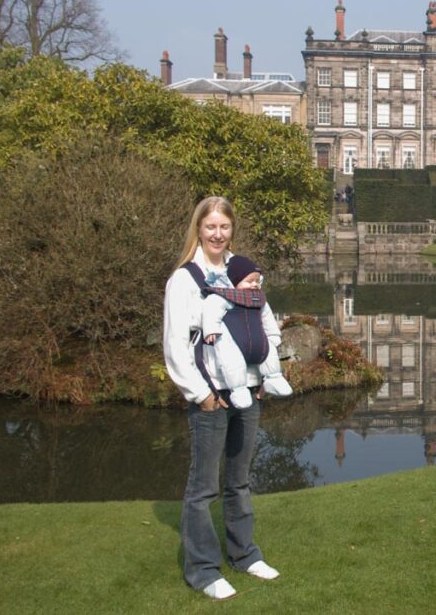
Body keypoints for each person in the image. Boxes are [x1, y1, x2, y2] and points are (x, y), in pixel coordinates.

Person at [163, 196, 281, 601]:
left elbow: (265, 325)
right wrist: (201, 394)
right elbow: (176, 346)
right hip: (211, 396)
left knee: (240, 481)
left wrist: (262, 374)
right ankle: (202, 569)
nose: (217, 234)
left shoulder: (243, 271)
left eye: (224, 227)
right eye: (210, 226)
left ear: (232, 229)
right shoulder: (185, 280)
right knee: (203, 489)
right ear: (198, 229)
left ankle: (244, 555)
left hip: (248, 394)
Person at [201, 254, 292, 409]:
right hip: (233, 343)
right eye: (249, 281)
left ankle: (274, 378)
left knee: (270, 354)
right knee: (232, 362)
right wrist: (211, 330)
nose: (254, 284)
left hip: (259, 341)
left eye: (257, 280)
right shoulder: (224, 297)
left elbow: (268, 318)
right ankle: (238, 390)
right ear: (234, 281)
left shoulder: (259, 300)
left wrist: (273, 335)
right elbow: (211, 310)